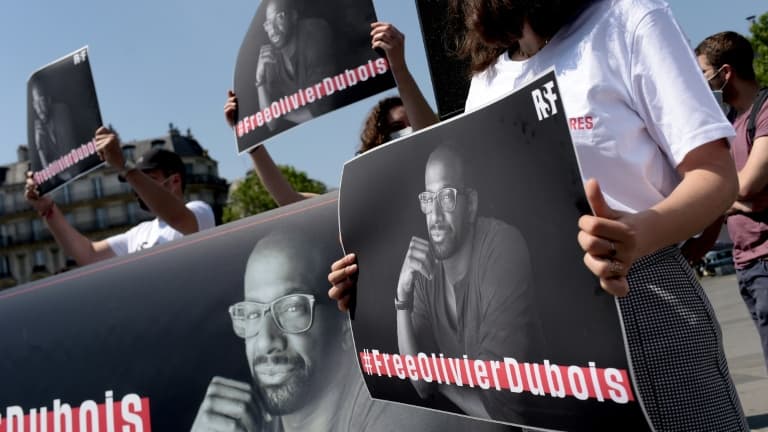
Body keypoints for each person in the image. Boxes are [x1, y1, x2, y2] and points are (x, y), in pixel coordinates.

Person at [329, 0, 749, 430]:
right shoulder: (486, 84)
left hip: (643, 302)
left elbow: (715, 176)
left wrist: (637, 235)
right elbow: (466, 237)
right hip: (544, 347)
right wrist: (375, 286)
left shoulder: (627, 19)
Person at [190, 229, 508, 432]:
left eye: (292, 308)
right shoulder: (248, 422)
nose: (268, 340)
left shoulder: (397, 413)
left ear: (345, 326)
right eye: (252, 314)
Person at [395, 145, 542, 421]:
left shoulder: (502, 247)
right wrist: (402, 297)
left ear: (471, 204)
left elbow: (505, 409)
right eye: (428, 200)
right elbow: (419, 383)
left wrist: (436, 378)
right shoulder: (427, 271)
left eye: (447, 197)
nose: (435, 216)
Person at [225, 21, 437, 205]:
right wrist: (252, 142)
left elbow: (431, 138)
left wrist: (398, 67)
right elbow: (289, 199)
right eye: (397, 127)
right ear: (377, 140)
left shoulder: (443, 182)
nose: (410, 129)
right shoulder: (364, 199)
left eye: (412, 122)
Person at [25, 126, 216, 265]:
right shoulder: (138, 234)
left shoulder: (200, 211)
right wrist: (48, 209)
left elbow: (178, 218)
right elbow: (87, 254)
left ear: (175, 181)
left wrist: (125, 166)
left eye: (149, 179)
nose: (138, 189)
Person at [696, 31, 768, 373]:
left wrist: (726, 197)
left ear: (725, 73)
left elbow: (748, 183)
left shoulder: (765, 111)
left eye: (703, 73)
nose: (699, 83)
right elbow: (728, 194)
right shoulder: (728, 124)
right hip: (746, 262)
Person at [255, 0, 336, 131]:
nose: (273, 29)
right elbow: (271, 122)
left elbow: (321, 109)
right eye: (268, 23)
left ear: (293, 16)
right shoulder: (271, 59)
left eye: (279, 17)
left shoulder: (315, 32)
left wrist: (281, 114)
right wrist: (260, 80)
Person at [29, 79, 78, 178]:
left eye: (41, 100)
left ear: (49, 100)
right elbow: (49, 178)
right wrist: (40, 148)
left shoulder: (61, 111)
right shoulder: (39, 128)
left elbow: (69, 150)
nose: (38, 108)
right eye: (35, 103)